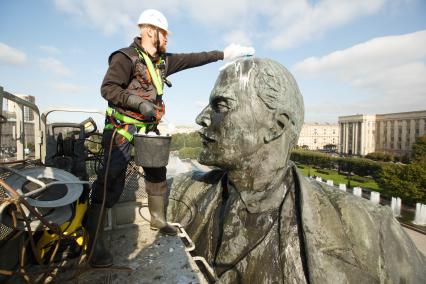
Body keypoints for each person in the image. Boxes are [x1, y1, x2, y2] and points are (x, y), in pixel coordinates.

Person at [167, 58, 426, 283]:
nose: (201, 118)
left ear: (276, 126)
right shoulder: (181, 193)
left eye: (221, 105)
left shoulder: (372, 230)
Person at [87, 9, 255, 268]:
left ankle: (158, 219)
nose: (167, 39)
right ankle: (95, 244)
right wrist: (137, 103)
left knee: (156, 171)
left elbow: (192, 59)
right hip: (121, 127)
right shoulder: (126, 58)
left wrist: (224, 54)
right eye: (164, 33)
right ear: (150, 31)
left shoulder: (162, 62)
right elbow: (108, 89)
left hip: (147, 128)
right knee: (111, 179)